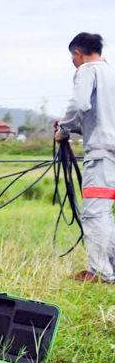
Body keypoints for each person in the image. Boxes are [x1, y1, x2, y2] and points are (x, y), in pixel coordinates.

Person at [57, 32, 115, 284]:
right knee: (105, 213)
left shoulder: (87, 71)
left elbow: (79, 105)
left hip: (101, 155)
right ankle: (109, 268)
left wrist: (64, 128)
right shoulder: (111, 74)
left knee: (94, 214)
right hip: (110, 152)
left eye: (73, 57)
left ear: (77, 54)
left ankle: (101, 272)